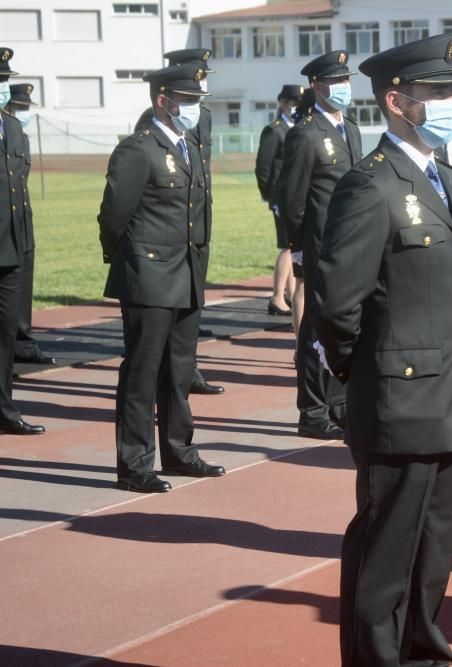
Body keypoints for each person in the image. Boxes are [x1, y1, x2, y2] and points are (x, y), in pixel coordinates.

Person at [311, 33, 452, 666]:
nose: (448, 104)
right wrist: (367, 375)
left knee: (434, 556)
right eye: (436, 94)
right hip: (399, 401)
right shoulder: (371, 186)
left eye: (450, 93)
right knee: (384, 561)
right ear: (396, 101)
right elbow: (336, 303)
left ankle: (422, 654)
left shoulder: (447, 180)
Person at [98, 63, 225, 492]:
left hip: (187, 272)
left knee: (179, 370)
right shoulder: (139, 148)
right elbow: (115, 214)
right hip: (149, 274)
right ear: (163, 101)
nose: (192, 108)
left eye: (196, 101)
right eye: (186, 101)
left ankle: (179, 451)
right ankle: (134, 463)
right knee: (142, 371)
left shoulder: (188, 145)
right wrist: (129, 261)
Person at [279, 51, 362, 440]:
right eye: (335, 82)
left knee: (344, 324)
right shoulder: (306, 133)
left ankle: (340, 402)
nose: (343, 88)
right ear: (316, 86)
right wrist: (295, 247)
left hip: (351, 242)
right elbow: (292, 199)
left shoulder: (351, 129)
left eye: (346, 80)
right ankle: (312, 411)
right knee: (315, 328)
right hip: (320, 245)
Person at [137, 48, 224, 396]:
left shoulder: (203, 117)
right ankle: (173, 375)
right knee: (166, 319)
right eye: (193, 83)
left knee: (192, 308)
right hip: (167, 229)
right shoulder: (151, 121)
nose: (197, 95)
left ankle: (188, 370)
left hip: (197, 219)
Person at [0, 47, 44, 436]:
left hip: (11, 249)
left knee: (3, 336)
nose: (1, 89)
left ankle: (4, 408)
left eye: (2, 82)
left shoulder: (12, 129)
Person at [4, 82, 55, 368]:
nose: (24, 113)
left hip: (23, 218)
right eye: (20, 108)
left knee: (24, 282)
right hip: (5, 223)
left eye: (26, 108)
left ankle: (22, 342)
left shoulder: (20, 137)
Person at [255, 84, 303, 320]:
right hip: (281, 197)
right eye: (293, 103)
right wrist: (270, 196)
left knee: (294, 247)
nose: (295, 108)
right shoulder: (275, 131)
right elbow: (263, 168)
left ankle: (292, 294)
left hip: (293, 196)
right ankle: (276, 297)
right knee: (288, 246)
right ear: (283, 103)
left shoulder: (296, 128)